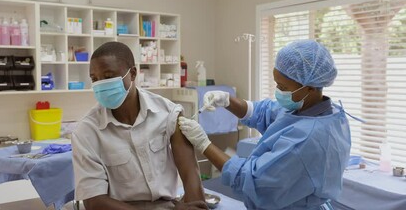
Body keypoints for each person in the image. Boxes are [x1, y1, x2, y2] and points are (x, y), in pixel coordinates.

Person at [178, 40, 351, 210]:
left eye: (282, 87)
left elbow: (251, 179)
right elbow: (263, 111)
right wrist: (226, 100)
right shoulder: (312, 108)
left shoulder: (306, 140)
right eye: (276, 84)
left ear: (310, 88)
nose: (278, 91)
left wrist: (203, 143)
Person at [72, 42, 208, 210]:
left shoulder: (168, 113)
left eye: (108, 77)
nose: (100, 84)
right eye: (94, 79)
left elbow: (190, 175)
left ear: (133, 73)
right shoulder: (86, 132)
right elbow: (95, 202)